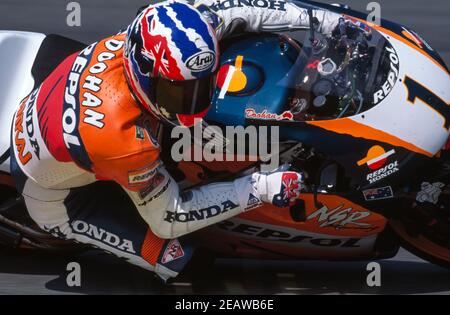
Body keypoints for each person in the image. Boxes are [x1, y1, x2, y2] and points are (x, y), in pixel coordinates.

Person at [10, 0, 343, 280]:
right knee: (184, 262)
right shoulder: (124, 141)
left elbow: (245, 9)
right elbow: (168, 218)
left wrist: (322, 18)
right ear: (145, 72)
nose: (194, 102)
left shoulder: (163, 32)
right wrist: (259, 189)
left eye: (202, 85)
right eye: (178, 91)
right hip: (61, 194)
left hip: (65, 98)